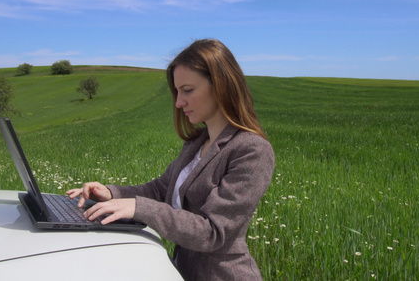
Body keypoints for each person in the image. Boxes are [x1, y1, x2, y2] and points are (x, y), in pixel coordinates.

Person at [66, 39, 275, 280]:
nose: (178, 102)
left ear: (221, 85)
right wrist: (112, 193)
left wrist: (138, 208)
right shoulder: (196, 143)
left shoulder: (252, 150)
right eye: (177, 92)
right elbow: (160, 189)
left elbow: (212, 232)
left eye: (187, 90)